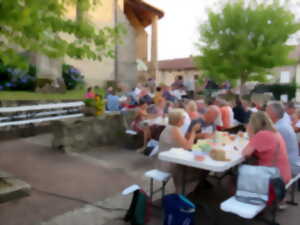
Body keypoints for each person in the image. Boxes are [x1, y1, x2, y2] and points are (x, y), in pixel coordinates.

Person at [158, 109, 201, 193]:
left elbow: (184, 144)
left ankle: (182, 190)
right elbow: (188, 147)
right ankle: (181, 192)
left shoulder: (171, 128)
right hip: (168, 164)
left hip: (166, 160)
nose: (184, 120)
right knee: (196, 171)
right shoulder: (174, 129)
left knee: (195, 168)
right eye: (183, 118)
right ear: (177, 119)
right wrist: (193, 131)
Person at [242, 111, 291, 185]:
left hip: (274, 181)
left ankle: (247, 194)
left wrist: (250, 133)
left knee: (240, 173)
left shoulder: (262, 134)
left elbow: (245, 153)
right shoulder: (275, 132)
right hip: (284, 174)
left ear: (253, 124)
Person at [266, 102, 300, 177]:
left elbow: (266, 149)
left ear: (273, 114)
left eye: (267, 112)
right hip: (293, 161)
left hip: (288, 166)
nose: (265, 115)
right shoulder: (283, 124)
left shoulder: (279, 128)